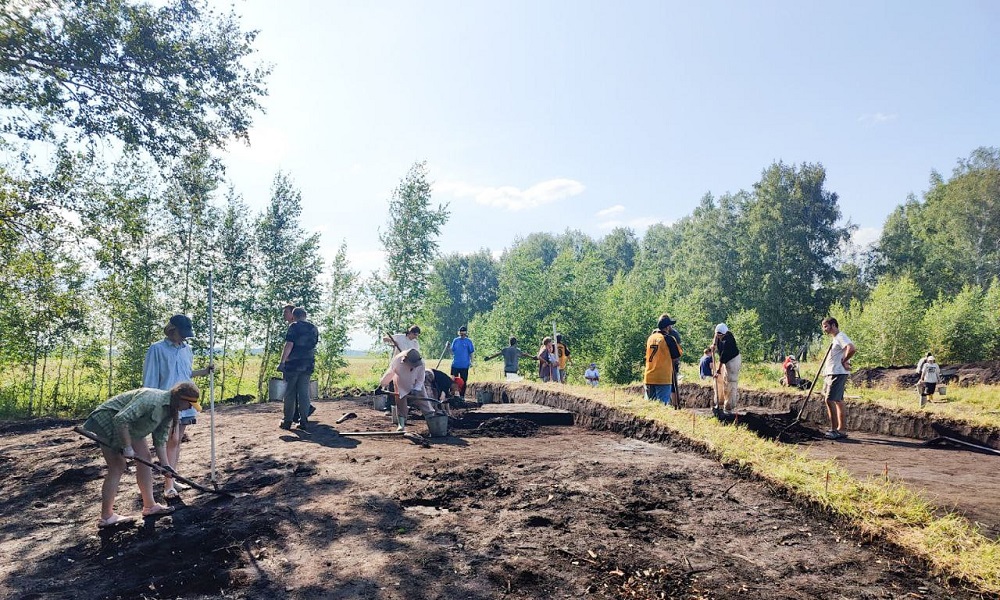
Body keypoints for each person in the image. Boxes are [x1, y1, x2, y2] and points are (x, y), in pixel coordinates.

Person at [82, 382, 201, 528]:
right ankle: (106, 517)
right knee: (117, 466)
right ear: (180, 399)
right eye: (190, 404)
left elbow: (160, 439)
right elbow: (120, 419)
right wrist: (127, 446)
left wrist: (166, 466)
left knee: (145, 458)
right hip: (108, 419)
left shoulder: (170, 410)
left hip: (130, 426)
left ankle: (150, 506)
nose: (190, 408)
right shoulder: (151, 400)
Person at [143, 314, 213, 499]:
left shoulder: (187, 350)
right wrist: (150, 403)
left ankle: (172, 479)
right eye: (181, 334)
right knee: (171, 440)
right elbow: (150, 377)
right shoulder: (157, 349)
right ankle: (168, 485)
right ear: (171, 330)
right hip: (166, 401)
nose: (184, 338)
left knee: (176, 441)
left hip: (186, 401)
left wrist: (204, 371)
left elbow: (186, 373)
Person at [278, 306, 320, 431]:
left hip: (293, 364)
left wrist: (282, 362)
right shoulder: (313, 328)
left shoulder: (294, 326)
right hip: (308, 364)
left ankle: (287, 421)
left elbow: (289, 344)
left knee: (290, 392)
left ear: (294, 315)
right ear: (305, 315)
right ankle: (304, 420)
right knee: (304, 393)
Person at [379, 348, 437, 431]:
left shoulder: (421, 364)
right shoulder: (397, 360)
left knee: (424, 402)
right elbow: (390, 373)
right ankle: (401, 425)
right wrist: (382, 384)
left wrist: (416, 389)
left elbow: (420, 379)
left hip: (415, 383)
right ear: (406, 360)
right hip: (400, 382)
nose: (414, 366)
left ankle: (433, 425)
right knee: (400, 402)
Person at [821, 316, 856, 439]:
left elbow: (851, 348)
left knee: (829, 400)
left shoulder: (840, 336)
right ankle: (841, 430)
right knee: (838, 401)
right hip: (833, 372)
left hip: (837, 373)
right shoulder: (836, 338)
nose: (824, 329)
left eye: (826, 326)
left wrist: (844, 361)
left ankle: (834, 430)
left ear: (833, 325)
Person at [644, 314, 682, 406]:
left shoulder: (650, 338)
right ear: (667, 327)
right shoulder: (668, 338)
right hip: (662, 378)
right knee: (662, 406)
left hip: (649, 376)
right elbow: (676, 356)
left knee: (650, 406)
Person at [712, 323, 741, 414]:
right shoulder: (718, 334)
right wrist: (714, 345)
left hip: (733, 360)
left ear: (724, 334)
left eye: (721, 335)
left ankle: (729, 408)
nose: (719, 337)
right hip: (725, 360)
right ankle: (719, 403)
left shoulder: (728, 341)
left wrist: (718, 370)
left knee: (730, 382)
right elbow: (715, 336)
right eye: (718, 334)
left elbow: (723, 358)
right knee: (721, 380)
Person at [450, 326, 475, 396]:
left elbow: (471, 352)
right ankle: (453, 395)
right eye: (461, 334)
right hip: (455, 364)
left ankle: (461, 396)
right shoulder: (455, 341)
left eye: (464, 334)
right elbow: (452, 352)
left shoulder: (469, 341)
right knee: (453, 381)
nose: (462, 336)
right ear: (459, 333)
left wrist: (472, 362)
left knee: (463, 381)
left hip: (464, 365)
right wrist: (448, 348)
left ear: (466, 334)